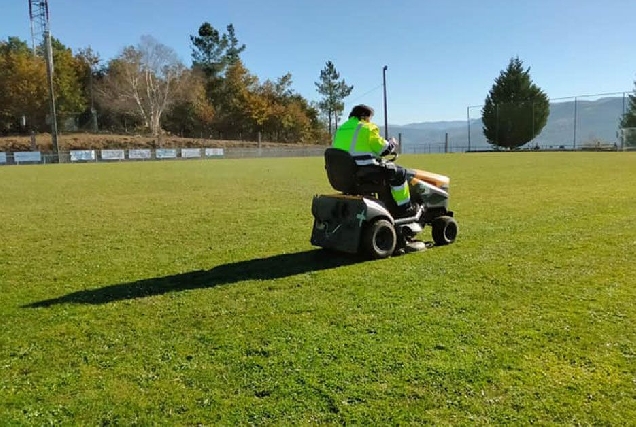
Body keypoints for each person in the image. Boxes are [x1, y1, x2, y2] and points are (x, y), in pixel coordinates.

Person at [331, 104, 418, 217]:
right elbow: (383, 149)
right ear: (363, 116)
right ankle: (405, 208)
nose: (370, 121)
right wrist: (392, 143)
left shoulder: (341, 129)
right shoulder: (366, 128)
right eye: (369, 118)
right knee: (400, 173)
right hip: (364, 171)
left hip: (344, 173)